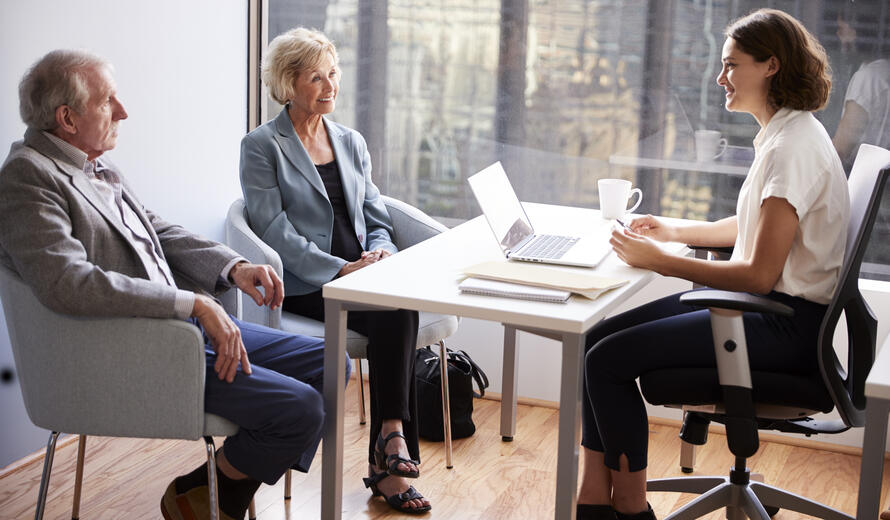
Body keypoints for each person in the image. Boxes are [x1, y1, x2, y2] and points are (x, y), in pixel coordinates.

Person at [0, 49, 347, 520]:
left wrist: (233, 268)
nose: (122, 111)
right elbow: (69, 283)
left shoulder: (95, 165)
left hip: (180, 335)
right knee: (301, 408)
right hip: (132, 350)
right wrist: (192, 305)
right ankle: (213, 492)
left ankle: (212, 491)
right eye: (108, 102)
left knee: (333, 364)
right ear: (67, 117)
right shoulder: (28, 178)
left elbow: (157, 231)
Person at [575, 9, 848, 520]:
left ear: (770, 65)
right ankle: (593, 495)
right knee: (595, 338)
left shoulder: (791, 148)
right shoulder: (788, 134)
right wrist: (673, 232)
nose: (721, 79)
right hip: (764, 310)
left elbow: (758, 274)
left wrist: (664, 263)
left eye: (731, 66)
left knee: (605, 361)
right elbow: (752, 229)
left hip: (779, 323)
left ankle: (630, 509)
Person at [239, 27, 430, 514]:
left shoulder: (350, 141)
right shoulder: (262, 145)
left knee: (396, 304)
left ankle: (390, 445)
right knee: (396, 309)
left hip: (365, 274)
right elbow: (273, 230)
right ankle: (391, 456)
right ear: (286, 83)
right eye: (316, 77)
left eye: (334, 74)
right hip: (307, 283)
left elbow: (376, 216)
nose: (330, 87)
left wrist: (382, 253)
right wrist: (340, 269)